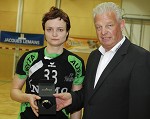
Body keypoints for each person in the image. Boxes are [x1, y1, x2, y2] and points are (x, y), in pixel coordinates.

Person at [54, 2, 150, 119]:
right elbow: (91, 94)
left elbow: (140, 109)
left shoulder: (140, 58)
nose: (103, 32)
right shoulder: (94, 56)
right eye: (98, 27)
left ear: (121, 25)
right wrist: (72, 98)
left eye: (109, 25)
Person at [10, 6, 85, 119]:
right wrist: (27, 97)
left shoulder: (76, 62)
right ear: (44, 32)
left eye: (60, 29)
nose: (54, 34)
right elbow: (14, 91)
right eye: (49, 29)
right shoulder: (29, 58)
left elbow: (76, 101)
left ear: (67, 32)